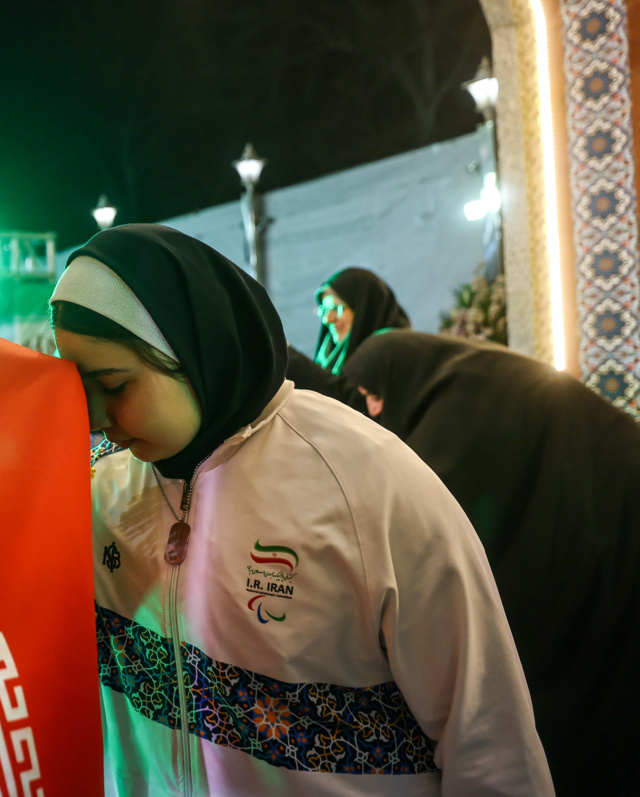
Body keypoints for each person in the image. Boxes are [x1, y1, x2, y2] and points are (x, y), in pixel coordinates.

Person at [50, 225, 551, 795]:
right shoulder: (101, 488)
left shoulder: (363, 482)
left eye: (114, 385)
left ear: (194, 351)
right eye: (78, 388)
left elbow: (486, 741)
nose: (94, 418)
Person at [345, 330, 640, 795]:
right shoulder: (466, 378)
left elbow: (435, 532)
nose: (374, 409)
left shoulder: (456, 412)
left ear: (400, 376)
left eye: (374, 394)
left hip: (612, 521)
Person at [286, 268, 409, 413]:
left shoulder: (392, 354)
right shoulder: (329, 354)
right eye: (324, 310)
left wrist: (285, 355)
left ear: (365, 311)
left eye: (337, 308)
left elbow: (349, 402)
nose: (328, 319)